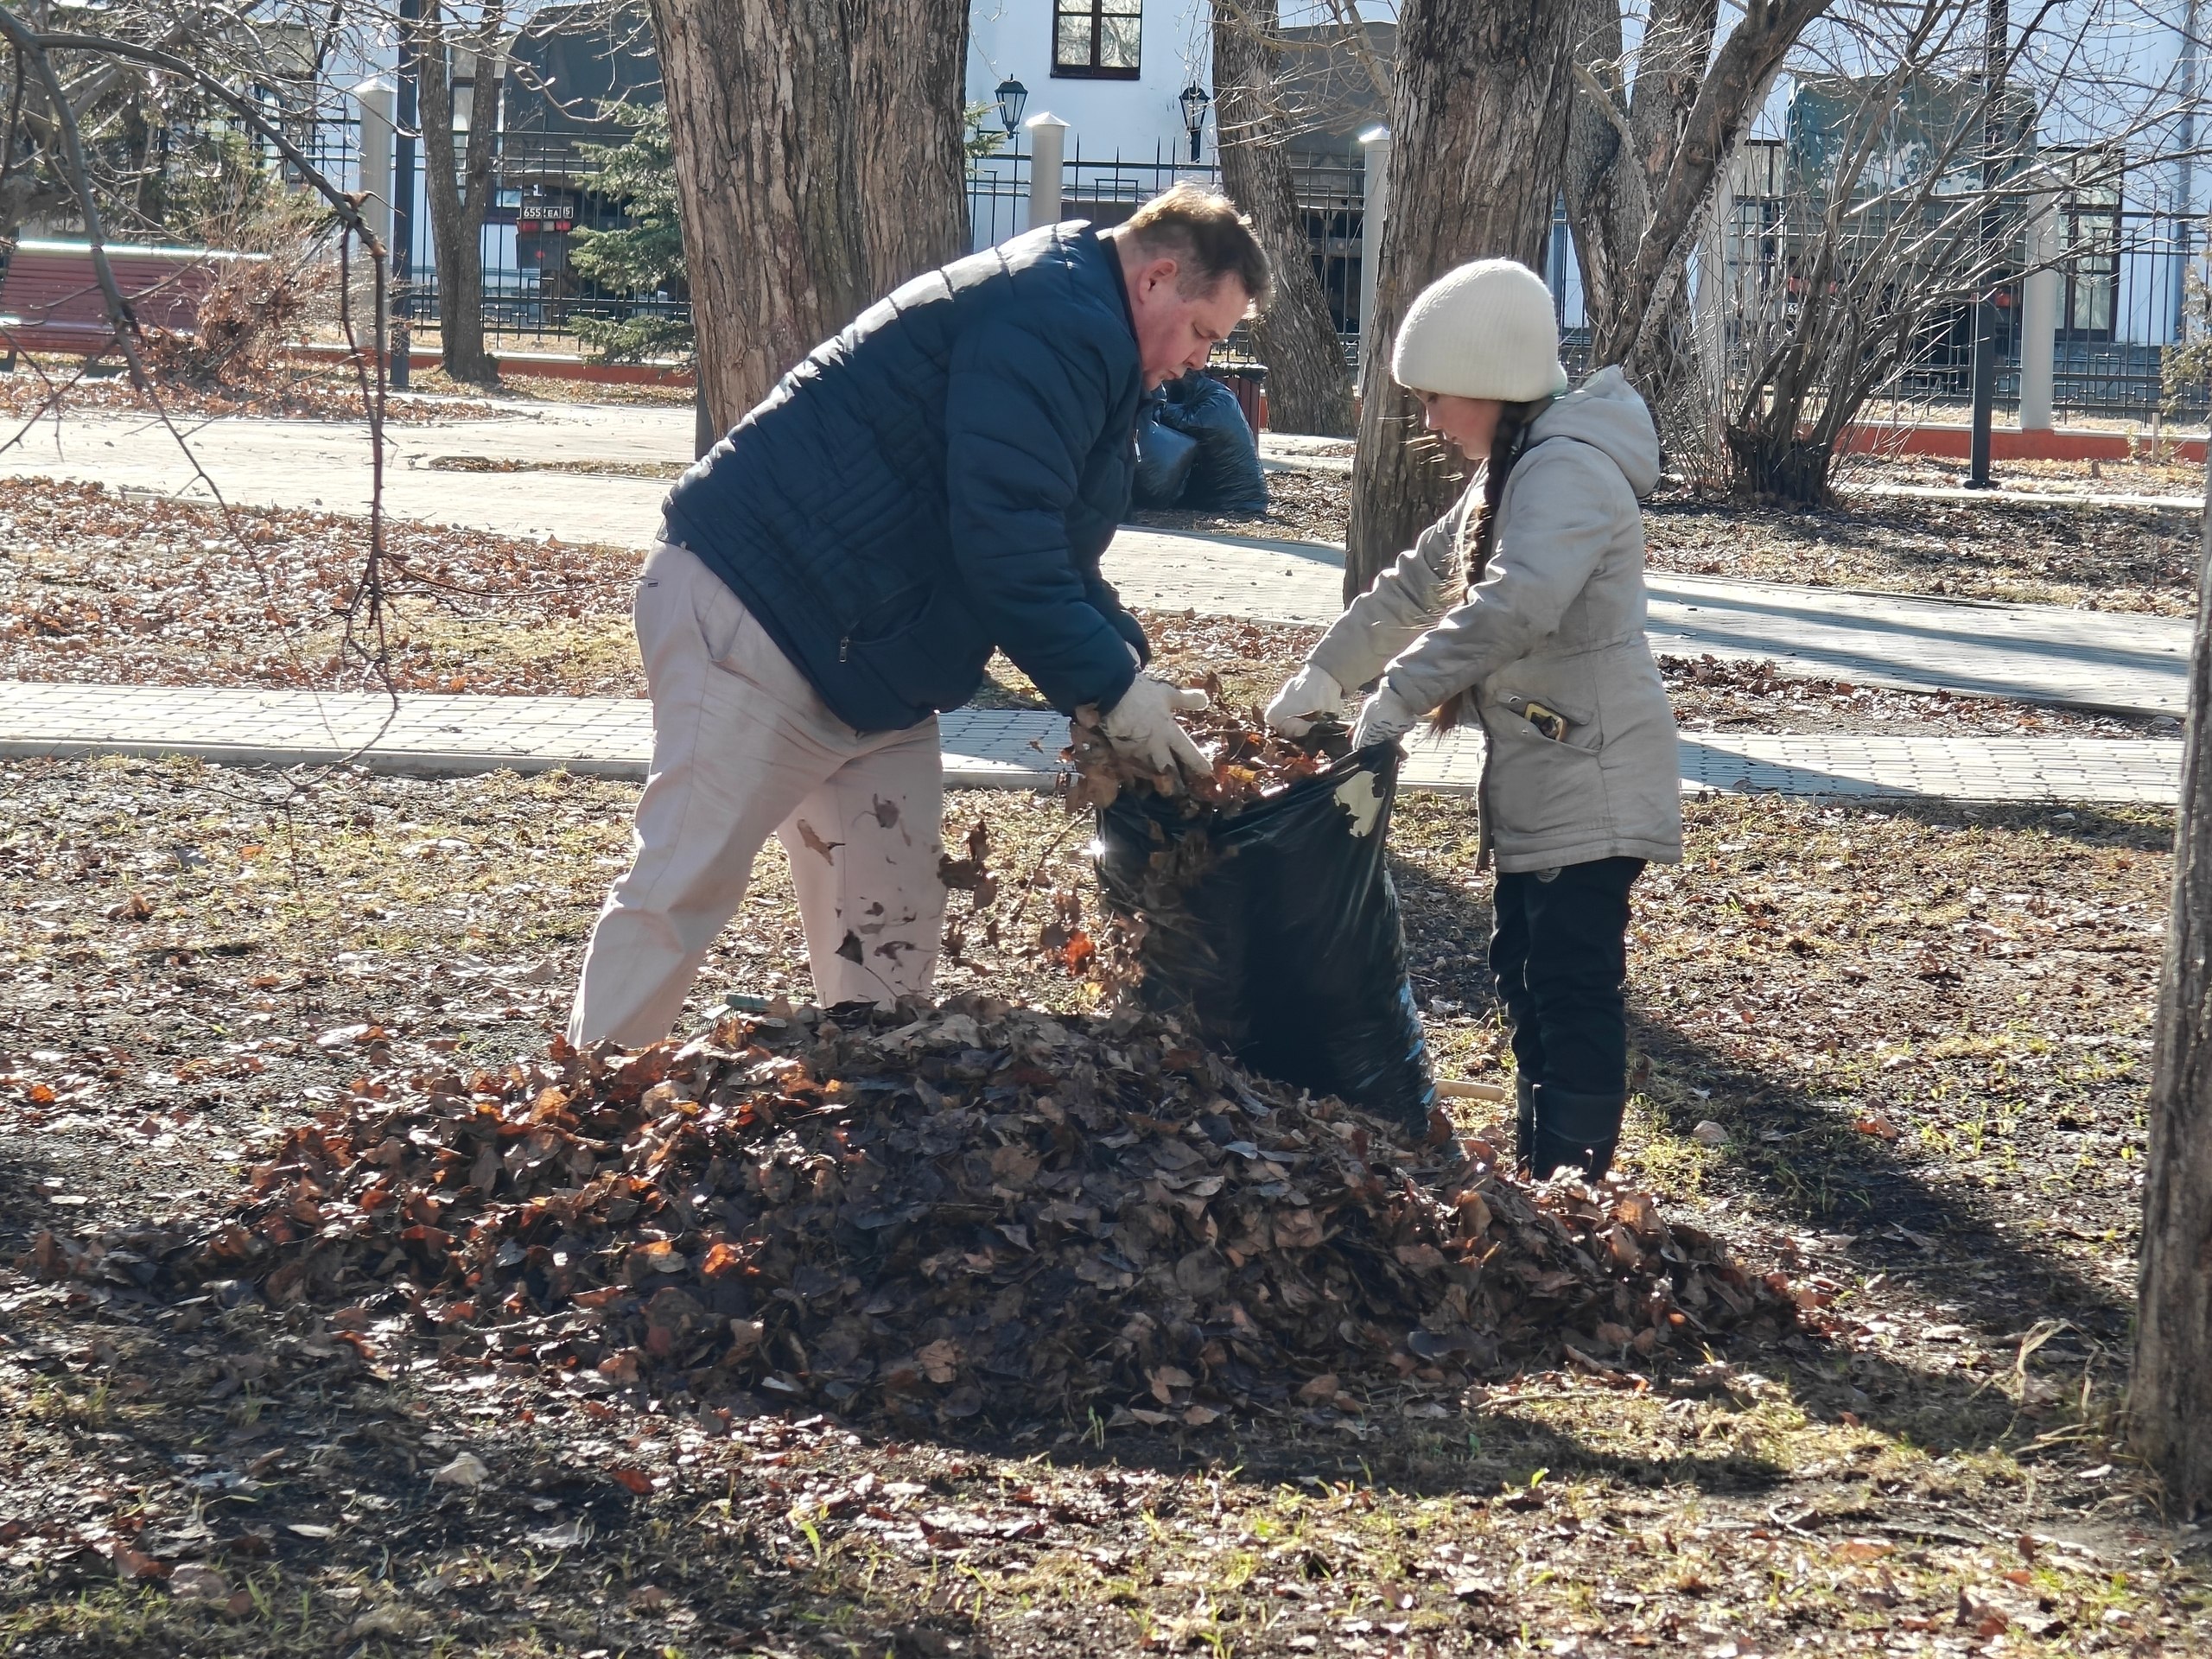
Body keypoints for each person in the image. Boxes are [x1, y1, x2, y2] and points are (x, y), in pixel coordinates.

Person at [569, 186, 1271, 1049]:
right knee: (683, 884)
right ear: (1159, 277)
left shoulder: (1077, 318)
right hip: (757, 615)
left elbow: (1051, 543)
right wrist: (1106, 687)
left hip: (870, 660)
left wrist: (1126, 669)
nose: (1200, 360)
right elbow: (1005, 544)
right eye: (1203, 332)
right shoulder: (1054, 322)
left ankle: (866, 1113)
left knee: (892, 914)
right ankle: (581, 1105)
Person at [1263, 258, 1680, 1180]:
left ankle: (1573, 1188)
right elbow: (1420, 581)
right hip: (1552, 770)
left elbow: (1512, 604)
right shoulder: (1518, 466)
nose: (1428, 420)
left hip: (1596, 774)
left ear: (1492, 384)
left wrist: (1393, 702)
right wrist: (1323, 675)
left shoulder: (1567, 470)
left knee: (1568, 987)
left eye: (1436, 397)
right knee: (1527, 977)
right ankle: (1549, 1180)